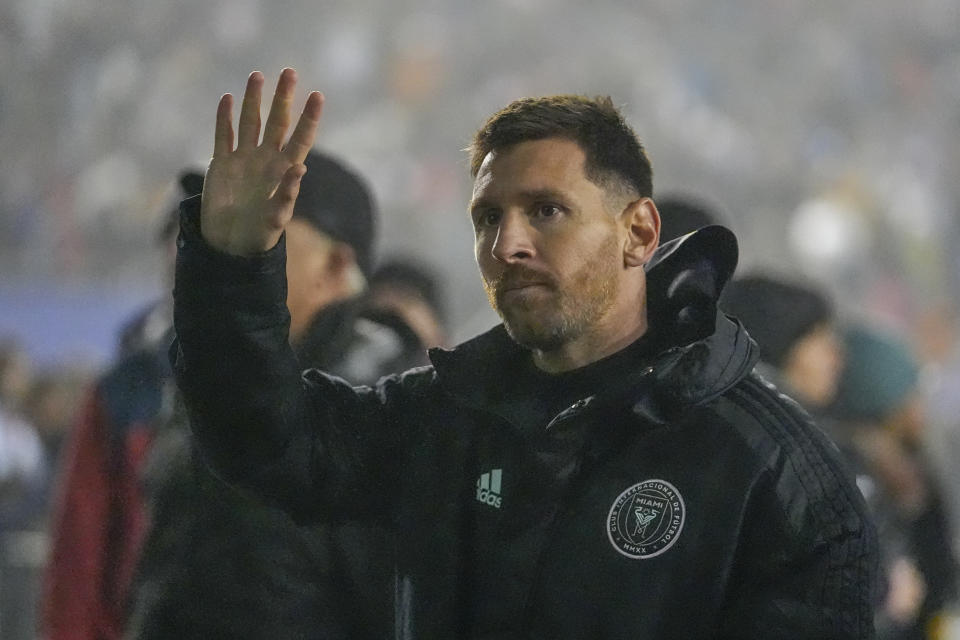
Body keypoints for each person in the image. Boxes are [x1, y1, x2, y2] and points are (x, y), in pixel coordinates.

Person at [172, 68, 878, 638]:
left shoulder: (773, 475)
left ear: (639, 232)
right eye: (487, 217)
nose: (507, 244)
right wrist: (231, 267)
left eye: (546, 211)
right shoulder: (445, 415)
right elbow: (265, 441)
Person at [126, 148, 421, 640]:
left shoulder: (384, 412)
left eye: (261, 224)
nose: (229, 239)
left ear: (335, 264)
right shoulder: (203, 381)